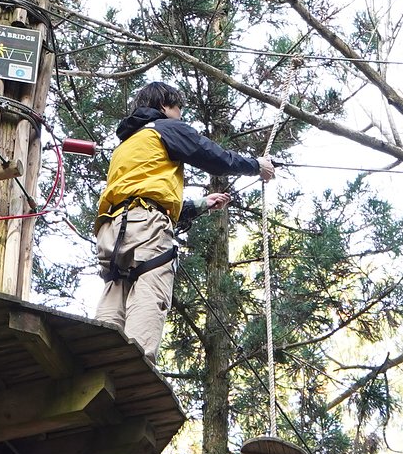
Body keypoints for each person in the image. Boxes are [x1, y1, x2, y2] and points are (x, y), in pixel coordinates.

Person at [95, 82, 275, 359]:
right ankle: (133, 369)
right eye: (178, 108)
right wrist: (254, 165)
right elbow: (213, 156)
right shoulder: (165, 127)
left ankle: (98, 362)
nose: (180, 114)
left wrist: (201, 204)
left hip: (112, 229)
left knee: (116, 290)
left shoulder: (127, 145)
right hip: (144, 224)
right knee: (150, 290)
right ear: (165, 106)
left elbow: (141, 193)